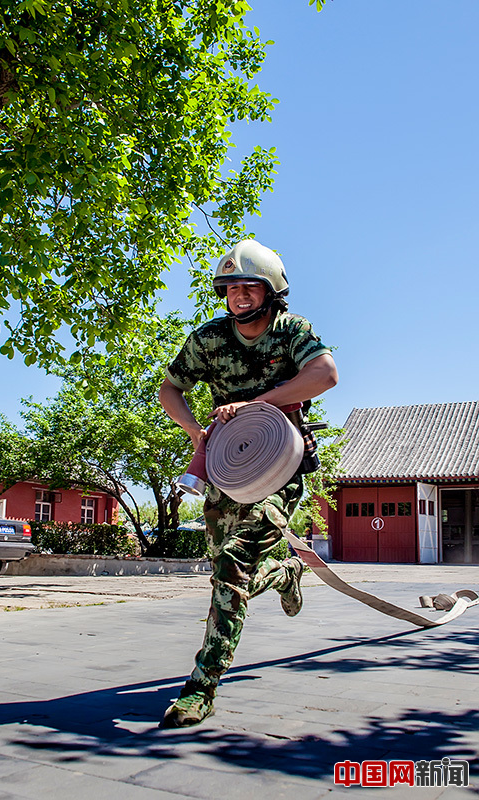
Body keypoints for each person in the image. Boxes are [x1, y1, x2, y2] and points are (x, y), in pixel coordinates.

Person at [158, 239, 338, 728]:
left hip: (279, 462)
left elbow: (325, 374)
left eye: (249, 287)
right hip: (224, 465)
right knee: (225, 569)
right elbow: (169, 388)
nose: (238, 296)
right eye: (230, 288)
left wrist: (260, 403)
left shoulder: (291, 331)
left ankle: (201, 687)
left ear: (270, 290)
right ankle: (283, 575)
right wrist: (196, 431)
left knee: (232, 567)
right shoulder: (210, 339)